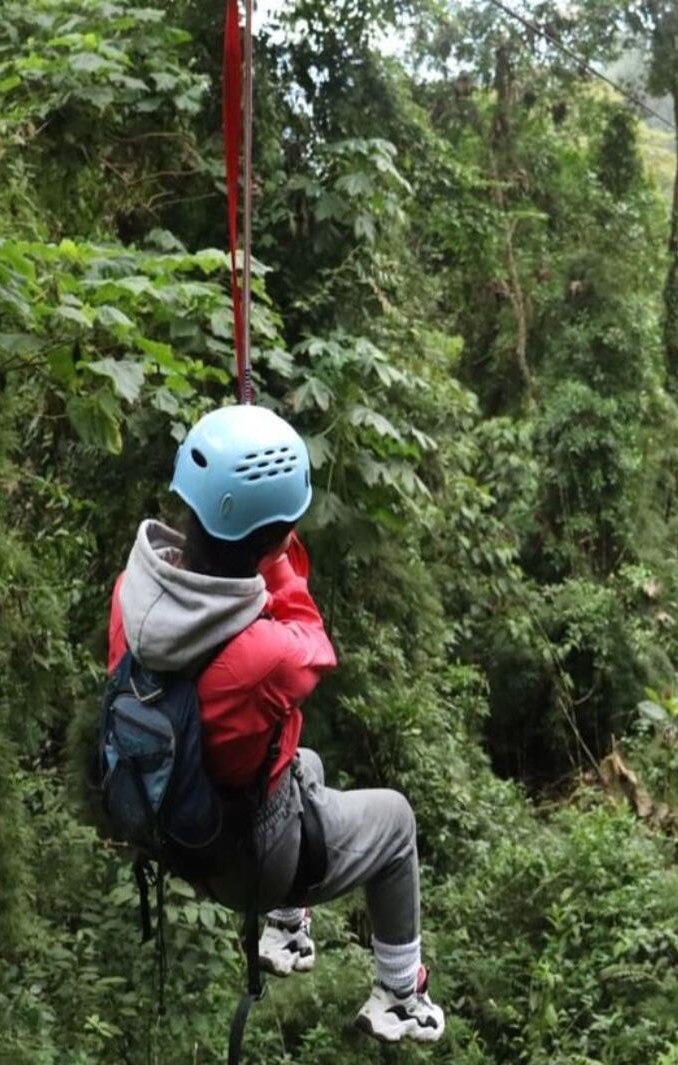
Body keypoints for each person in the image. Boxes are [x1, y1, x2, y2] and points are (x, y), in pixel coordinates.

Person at [105, 404, 447, 1044]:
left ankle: (287, 932)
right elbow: (310, 642)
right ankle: (400, 996)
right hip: (249, 858)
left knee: (306, 763)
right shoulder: (265, 658)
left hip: (175, 823)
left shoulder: (133, 591)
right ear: (274, 537)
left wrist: (259, 536)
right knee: (396, 819)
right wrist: (280, 559)